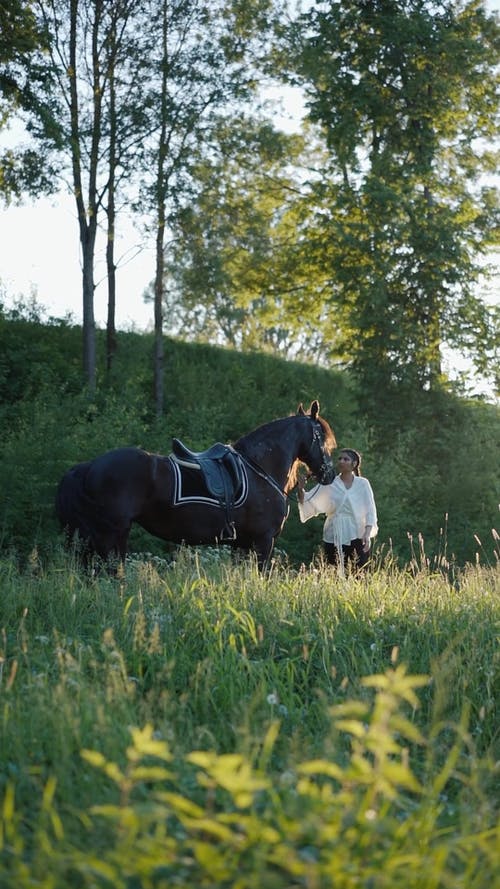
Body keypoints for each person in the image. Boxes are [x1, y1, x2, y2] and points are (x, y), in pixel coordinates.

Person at [297, 448, 378, 571]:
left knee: (359, 573)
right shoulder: (331, 483)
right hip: (333, 534)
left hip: (357, 534)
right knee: (334, 572)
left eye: (346, 459)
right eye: (340, 458)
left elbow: (370, 511)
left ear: (354, 464)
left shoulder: (363, 484)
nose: (341, 461)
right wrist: (301, 489)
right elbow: (309, 500)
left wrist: (367, 534)